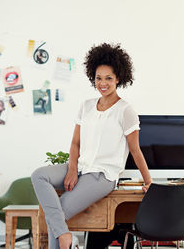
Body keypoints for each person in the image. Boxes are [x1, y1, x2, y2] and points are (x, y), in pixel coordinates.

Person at [31, 43, 152, 249]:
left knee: (58, 212)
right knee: (39, 175)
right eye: (98, 78)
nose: (102, 83)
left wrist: (149, 181)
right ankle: (66, 237)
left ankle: (65, 237)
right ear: (92, 77)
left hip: (102, 175)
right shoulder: (86, 106)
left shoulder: (125, 110)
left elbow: (135, 149)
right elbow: (75, 142)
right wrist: (71, 169)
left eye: (108, 78)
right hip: (80, 167)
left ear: (118, 79)